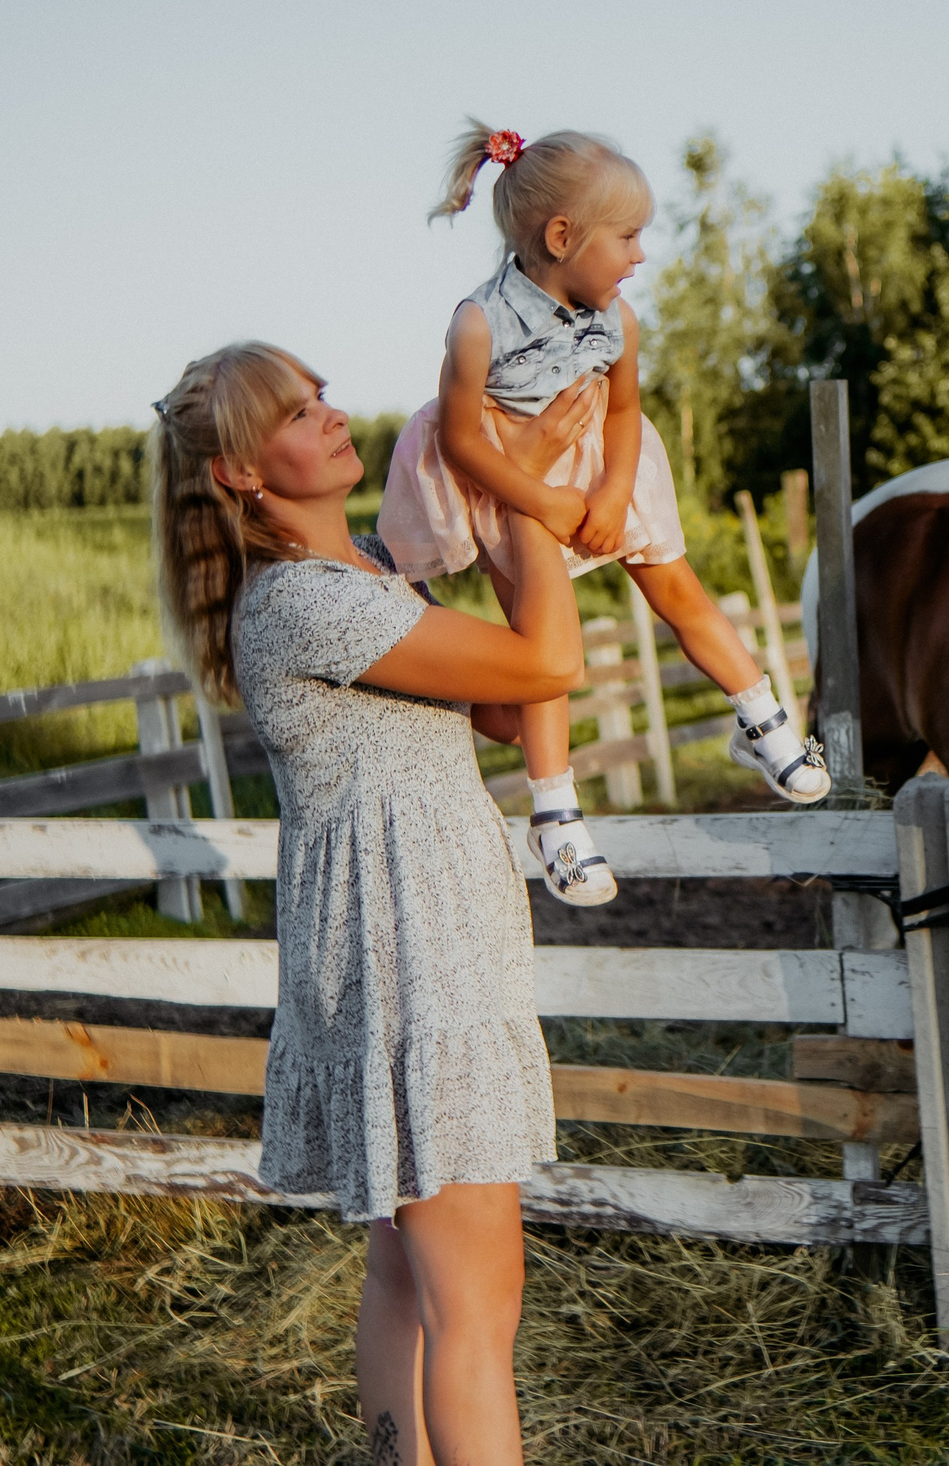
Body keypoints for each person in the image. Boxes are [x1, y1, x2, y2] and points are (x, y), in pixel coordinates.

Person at [152, 341, 597, 1466]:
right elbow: (549, 667)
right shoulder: (306, 602)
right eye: (299, 415)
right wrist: (527, 501)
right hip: (412, 943)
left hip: (411, 927)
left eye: (321, 395)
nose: (334, 416)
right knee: (479, 1300)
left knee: (412, 1268)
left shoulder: (360, 571)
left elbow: (500, 708)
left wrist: (504, 527)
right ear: (243, 475)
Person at [380, 122, 829, 909]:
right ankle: (555, 810)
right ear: (562, 236)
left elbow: (623, 411)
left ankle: (759, 716)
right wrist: (541, 497)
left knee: (678, 586)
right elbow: (457, 438)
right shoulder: (477, 324)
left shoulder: (618, 319)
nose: (640, 255)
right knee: (540, 647)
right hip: (506, 474)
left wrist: (615, 490)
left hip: (594, 459)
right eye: (628, 236)